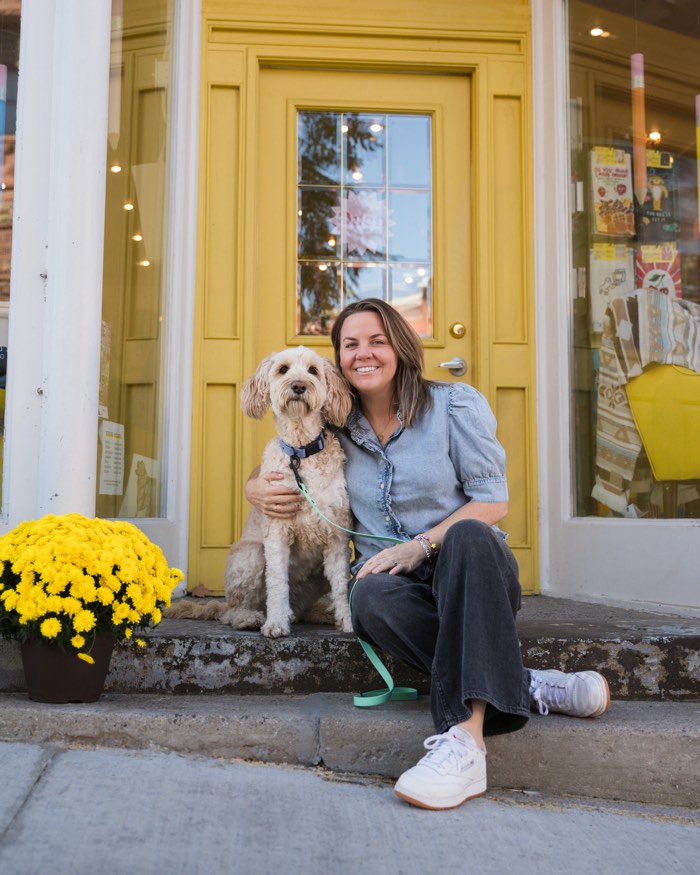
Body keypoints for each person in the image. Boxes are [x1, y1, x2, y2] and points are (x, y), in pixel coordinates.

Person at [246, 298, 610, 811]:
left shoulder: (453, 404)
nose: (364, 353)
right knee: (367, 595)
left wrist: (420, 546)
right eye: (351, 345)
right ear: (338, 361)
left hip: (471, 571)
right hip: (395, 591)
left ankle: (463, 745)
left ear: (401, 346)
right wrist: (255, 489)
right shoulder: (335, 427)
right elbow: (287, 461)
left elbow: (493, 502)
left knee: (467, 537)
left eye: (377, 340)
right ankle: (524, 683)